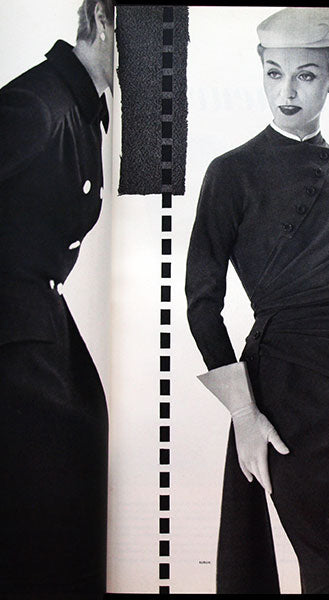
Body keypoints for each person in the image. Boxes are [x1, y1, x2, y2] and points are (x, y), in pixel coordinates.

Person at [186, 7, 329, 594]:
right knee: (277, 551)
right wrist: (243, 412)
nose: (287, 91)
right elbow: (201, 302)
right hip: (277, 385)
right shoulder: (230, 173)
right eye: (274, 73)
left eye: (306, 75)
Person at [0, 1, 114, 596]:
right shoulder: (39, 102)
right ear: (100, 22)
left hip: (42, 323)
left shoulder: (78, 105)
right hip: (15, 336)